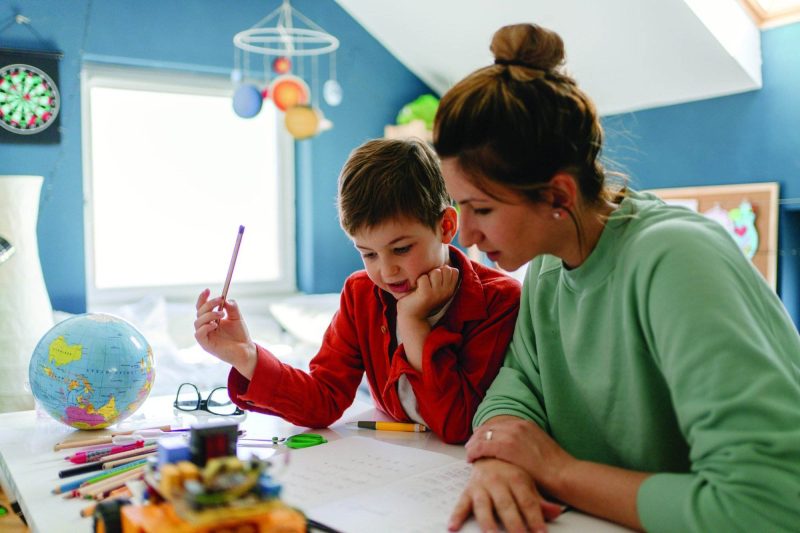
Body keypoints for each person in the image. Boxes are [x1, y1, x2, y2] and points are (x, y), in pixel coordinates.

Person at [434, 23, 800, 533]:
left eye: (482, 209)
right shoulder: (546, 266)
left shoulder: (676, 260)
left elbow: (768, 507)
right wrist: (499, 458)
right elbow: (516, 384)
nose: (466, 234)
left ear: (558, 197)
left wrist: (556, 470)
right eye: (459, 206)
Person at [194, 138, 521, 444]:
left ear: (446, 226)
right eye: (368, 254)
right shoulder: (361, 293)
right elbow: (324, 399)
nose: (386, 270)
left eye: (402, 249)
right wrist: (246, 356)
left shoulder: (499, 300)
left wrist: (413, 323)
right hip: (392, 467)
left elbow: (457, 425)